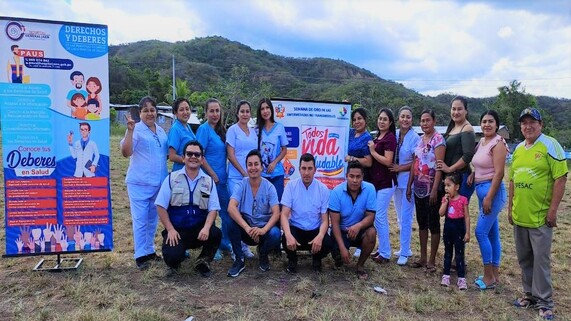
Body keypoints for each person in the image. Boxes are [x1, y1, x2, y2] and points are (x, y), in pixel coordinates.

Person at [509, 107, 567, 320]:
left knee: (540, 260)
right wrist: (510, 209)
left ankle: (545, 302)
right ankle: (529, 295)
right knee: (524, 259)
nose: (528, 126)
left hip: (540, 217)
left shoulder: (551, 145)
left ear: (540, 124)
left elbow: (561, 178)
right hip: (520, 215)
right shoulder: (518, 149)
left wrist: (553, 210)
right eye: (524, 122)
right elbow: (513, 180)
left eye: (532, 122)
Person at [155, 141, 221, 277]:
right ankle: (175, 261)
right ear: (183, 158)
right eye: (189, 154)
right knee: (172, 257)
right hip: (177, 231)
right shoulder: (171, 179)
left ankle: (202, 262)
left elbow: (213, 209)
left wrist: (207, 228)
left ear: (202, 160)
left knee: (216, 233)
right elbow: (160, 206)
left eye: (197, 154)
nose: (193, 157)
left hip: (199, 230)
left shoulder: (209, 182)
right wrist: (170, 229)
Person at [120, 96, 168, 270]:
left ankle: (149, 250)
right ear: (140, 113)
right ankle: (140, 255)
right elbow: (126, 152)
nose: (150, 113)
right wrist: (130, 131)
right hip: (140, 183)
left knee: (152, 219)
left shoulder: (161, 131)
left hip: (159, 183)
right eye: (145, 110)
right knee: (140, 219)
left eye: (152, 110)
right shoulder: (136, 129)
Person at [226, 150, 281, 277]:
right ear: (246, 167)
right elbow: (231, 207)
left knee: (275, 233)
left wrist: (263, 230)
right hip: (247, 228)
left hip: (263, 229)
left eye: (256, 164)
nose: (253, 167)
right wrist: (246, 227)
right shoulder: (241, 184)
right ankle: (239, 260)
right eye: (250, 165)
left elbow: (276, 212)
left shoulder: (269, 187)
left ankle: (263, 253)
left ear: (262, 167)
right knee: (230, 221)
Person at [469, 110, 508, 290]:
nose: (487, 124)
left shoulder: (498, 143)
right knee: (492, 234)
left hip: (492, 191)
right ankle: (494, 274)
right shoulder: (482, 142)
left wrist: (490, 197)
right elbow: (479, 164)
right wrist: (472, 174)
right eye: (484, 121)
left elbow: (499, 172)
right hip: (481, 190)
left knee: (481, 232)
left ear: (496, 124)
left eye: (491, 121)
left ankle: (488, 276)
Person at [406, 109, 445, 272]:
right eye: (422, 121)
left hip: (432, 190)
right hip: (418, 188)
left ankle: (431, 260)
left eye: (427, 120)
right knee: (422, 223)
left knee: (433, 224)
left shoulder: (439, 140)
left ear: (434, 121)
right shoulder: (419, 140)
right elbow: (414, 165)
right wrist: (409, 185)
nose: (424, 124)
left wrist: (435, 189)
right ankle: (422, 257)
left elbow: (439, 166)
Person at [281, 153, 332, 273]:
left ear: (315, 170)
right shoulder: (291, 186)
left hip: (314, 230)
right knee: (285, 238)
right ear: (299, 169)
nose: (306, 172)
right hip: (296, 229)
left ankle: (317, 258)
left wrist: (320, 237)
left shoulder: (323, 189)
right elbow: (283, 214)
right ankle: (292, 259)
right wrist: (288, 235)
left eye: (310, 168)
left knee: (328, 242)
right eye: (303, 168)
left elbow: (325, 220)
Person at [196, 98, 233, 261]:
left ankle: (224, 242)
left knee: (227, 213)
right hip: (208, 180)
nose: (215, 114)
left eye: (217, 110)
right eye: (211, 111)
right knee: (208, 213)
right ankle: (211, 246)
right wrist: (213, 175)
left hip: (222, 181)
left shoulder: (221, 130)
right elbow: (199, 156)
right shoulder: (203, 130)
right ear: (206, 113)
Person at [329, 161, 376, 280]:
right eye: (351, 176)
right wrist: (342, 248)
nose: (354, 180)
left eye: (358, 177)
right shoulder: (336, 192)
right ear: (346, 176)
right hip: (342, 231)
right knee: (339, 260)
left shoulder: (370, 189)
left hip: (360, 231)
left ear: (362, 177)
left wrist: (358, 226)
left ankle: (360, 266)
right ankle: (338, 254)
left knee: (371, 233)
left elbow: (371, 216)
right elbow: (334, 224)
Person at [226, 100, 258, 258]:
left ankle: (245, 247)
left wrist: (250, 173)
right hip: (236, 177)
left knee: (246, 211)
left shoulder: (253, 132)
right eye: (242, 111)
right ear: (237, 113)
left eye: (247, 111)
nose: (245, 114)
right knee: (235, 212)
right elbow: (230, 155)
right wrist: (243, 172)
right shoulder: (232, 130)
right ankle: (235, 248)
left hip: (250, 177)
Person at [390, 106, 420, 265]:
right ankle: (404, 248)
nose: (405, 119)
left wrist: (400, 168)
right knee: (400, 217)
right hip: (395, 182)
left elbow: (416, 161)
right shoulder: (394, 134)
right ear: (398, 118)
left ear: (411, 119)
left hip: (408, 181)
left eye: (408, 117)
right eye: (402, 116)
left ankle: (404, 253)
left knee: (407, 217)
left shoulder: (415, 137)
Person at [367, 108, 397, 263]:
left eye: (385, 119)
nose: (381, 121)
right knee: (379, 217)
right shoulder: (378, 136)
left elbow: (388, 161)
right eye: (380, 118)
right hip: (377, 183)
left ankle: (385, 253)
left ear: (390, 122)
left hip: (386, 182)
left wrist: (372, 151)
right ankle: (382, 248)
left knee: (379, 216)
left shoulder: (390, 138)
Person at [437, 96, 476, 201]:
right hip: (450, 179)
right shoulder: (452, 127)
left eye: (459, 109)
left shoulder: (467, 128)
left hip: (461, 179)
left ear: (466, 111)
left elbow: (468, 155)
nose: (456, 112)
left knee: (458, 214)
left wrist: (450, 169)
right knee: (450, 213)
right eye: (453, 109)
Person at [439, 173, 470, 290]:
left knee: (459, 254)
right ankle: (446, 275)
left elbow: (467, 217)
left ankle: (461, 278)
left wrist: (467, 232)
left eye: (449, 185)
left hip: (459, 229)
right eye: (445, 185)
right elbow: (441, 213)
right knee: (447, 253)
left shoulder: (463, 200)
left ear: (456, 187)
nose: (446, 188)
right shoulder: (445, 199)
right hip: (448, 229)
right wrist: (445, 203)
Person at [256, 98, 288, 201]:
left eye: (267, 108)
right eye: (262, 109)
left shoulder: (279, 127)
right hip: (261, 175)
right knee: (263, 205)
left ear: (271, 109)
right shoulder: (256, 129)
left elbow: (284, 150)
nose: (265, 111)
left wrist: (274, 162)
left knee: (277, 204)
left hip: (277, 174)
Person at [168, 98, 196, 172]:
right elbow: (172, 156)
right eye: (181, 110)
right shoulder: (176, 129)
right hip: (180, 172)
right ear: (175, 113)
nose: (185, 112)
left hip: (190, 171)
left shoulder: (187, 126)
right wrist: (189, 162)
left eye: (187, 109)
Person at [344, 107, 373, 179]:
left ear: (365, 120)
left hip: (360, 177)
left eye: (359, 118)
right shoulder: (350, 132)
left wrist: (351, 158)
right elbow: (341, 124)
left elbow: (369, 162)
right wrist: (344, 107)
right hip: (348, 174)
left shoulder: (367, 138)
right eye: (354, 120)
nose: (356, 122)